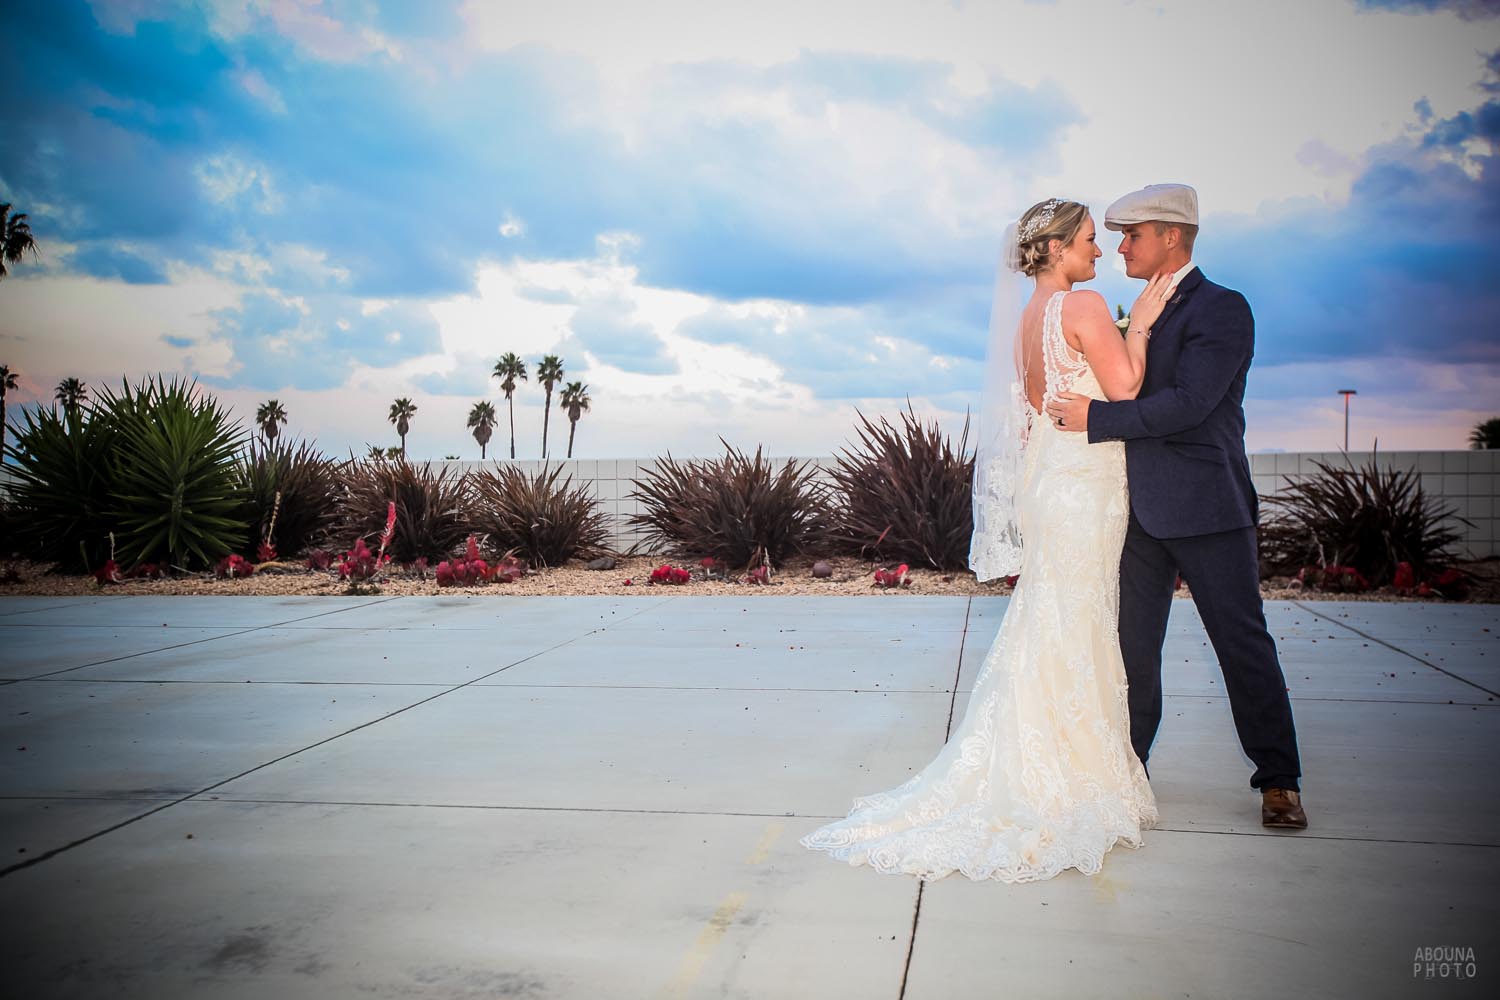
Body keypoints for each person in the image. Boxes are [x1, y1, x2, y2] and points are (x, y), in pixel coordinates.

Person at [801, 198, 1173, 882]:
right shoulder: (1085, 307)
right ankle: (1072, 774)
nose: (1098, 251)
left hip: (1052, 484)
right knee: (1083, 620)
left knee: (1055, 618)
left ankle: (1047, 757)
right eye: (1090, 240)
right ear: (1058, 247)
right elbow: (1123, 388)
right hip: (1087, 485)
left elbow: (1038, 412)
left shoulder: (1026, 324)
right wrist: (1141, 329)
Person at [1044, 184, 1306, 830]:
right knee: (1133, 650)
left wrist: (1095, 417)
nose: (1121, 246)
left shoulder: (1223, 310)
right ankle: (1129, 770)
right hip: (1137, 512)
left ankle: (1278, 781)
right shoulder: (1134, 307)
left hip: (1209, 507)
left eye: (1133, 235)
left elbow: (1191, 405)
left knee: (1241, 645)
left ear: (1171, 236)